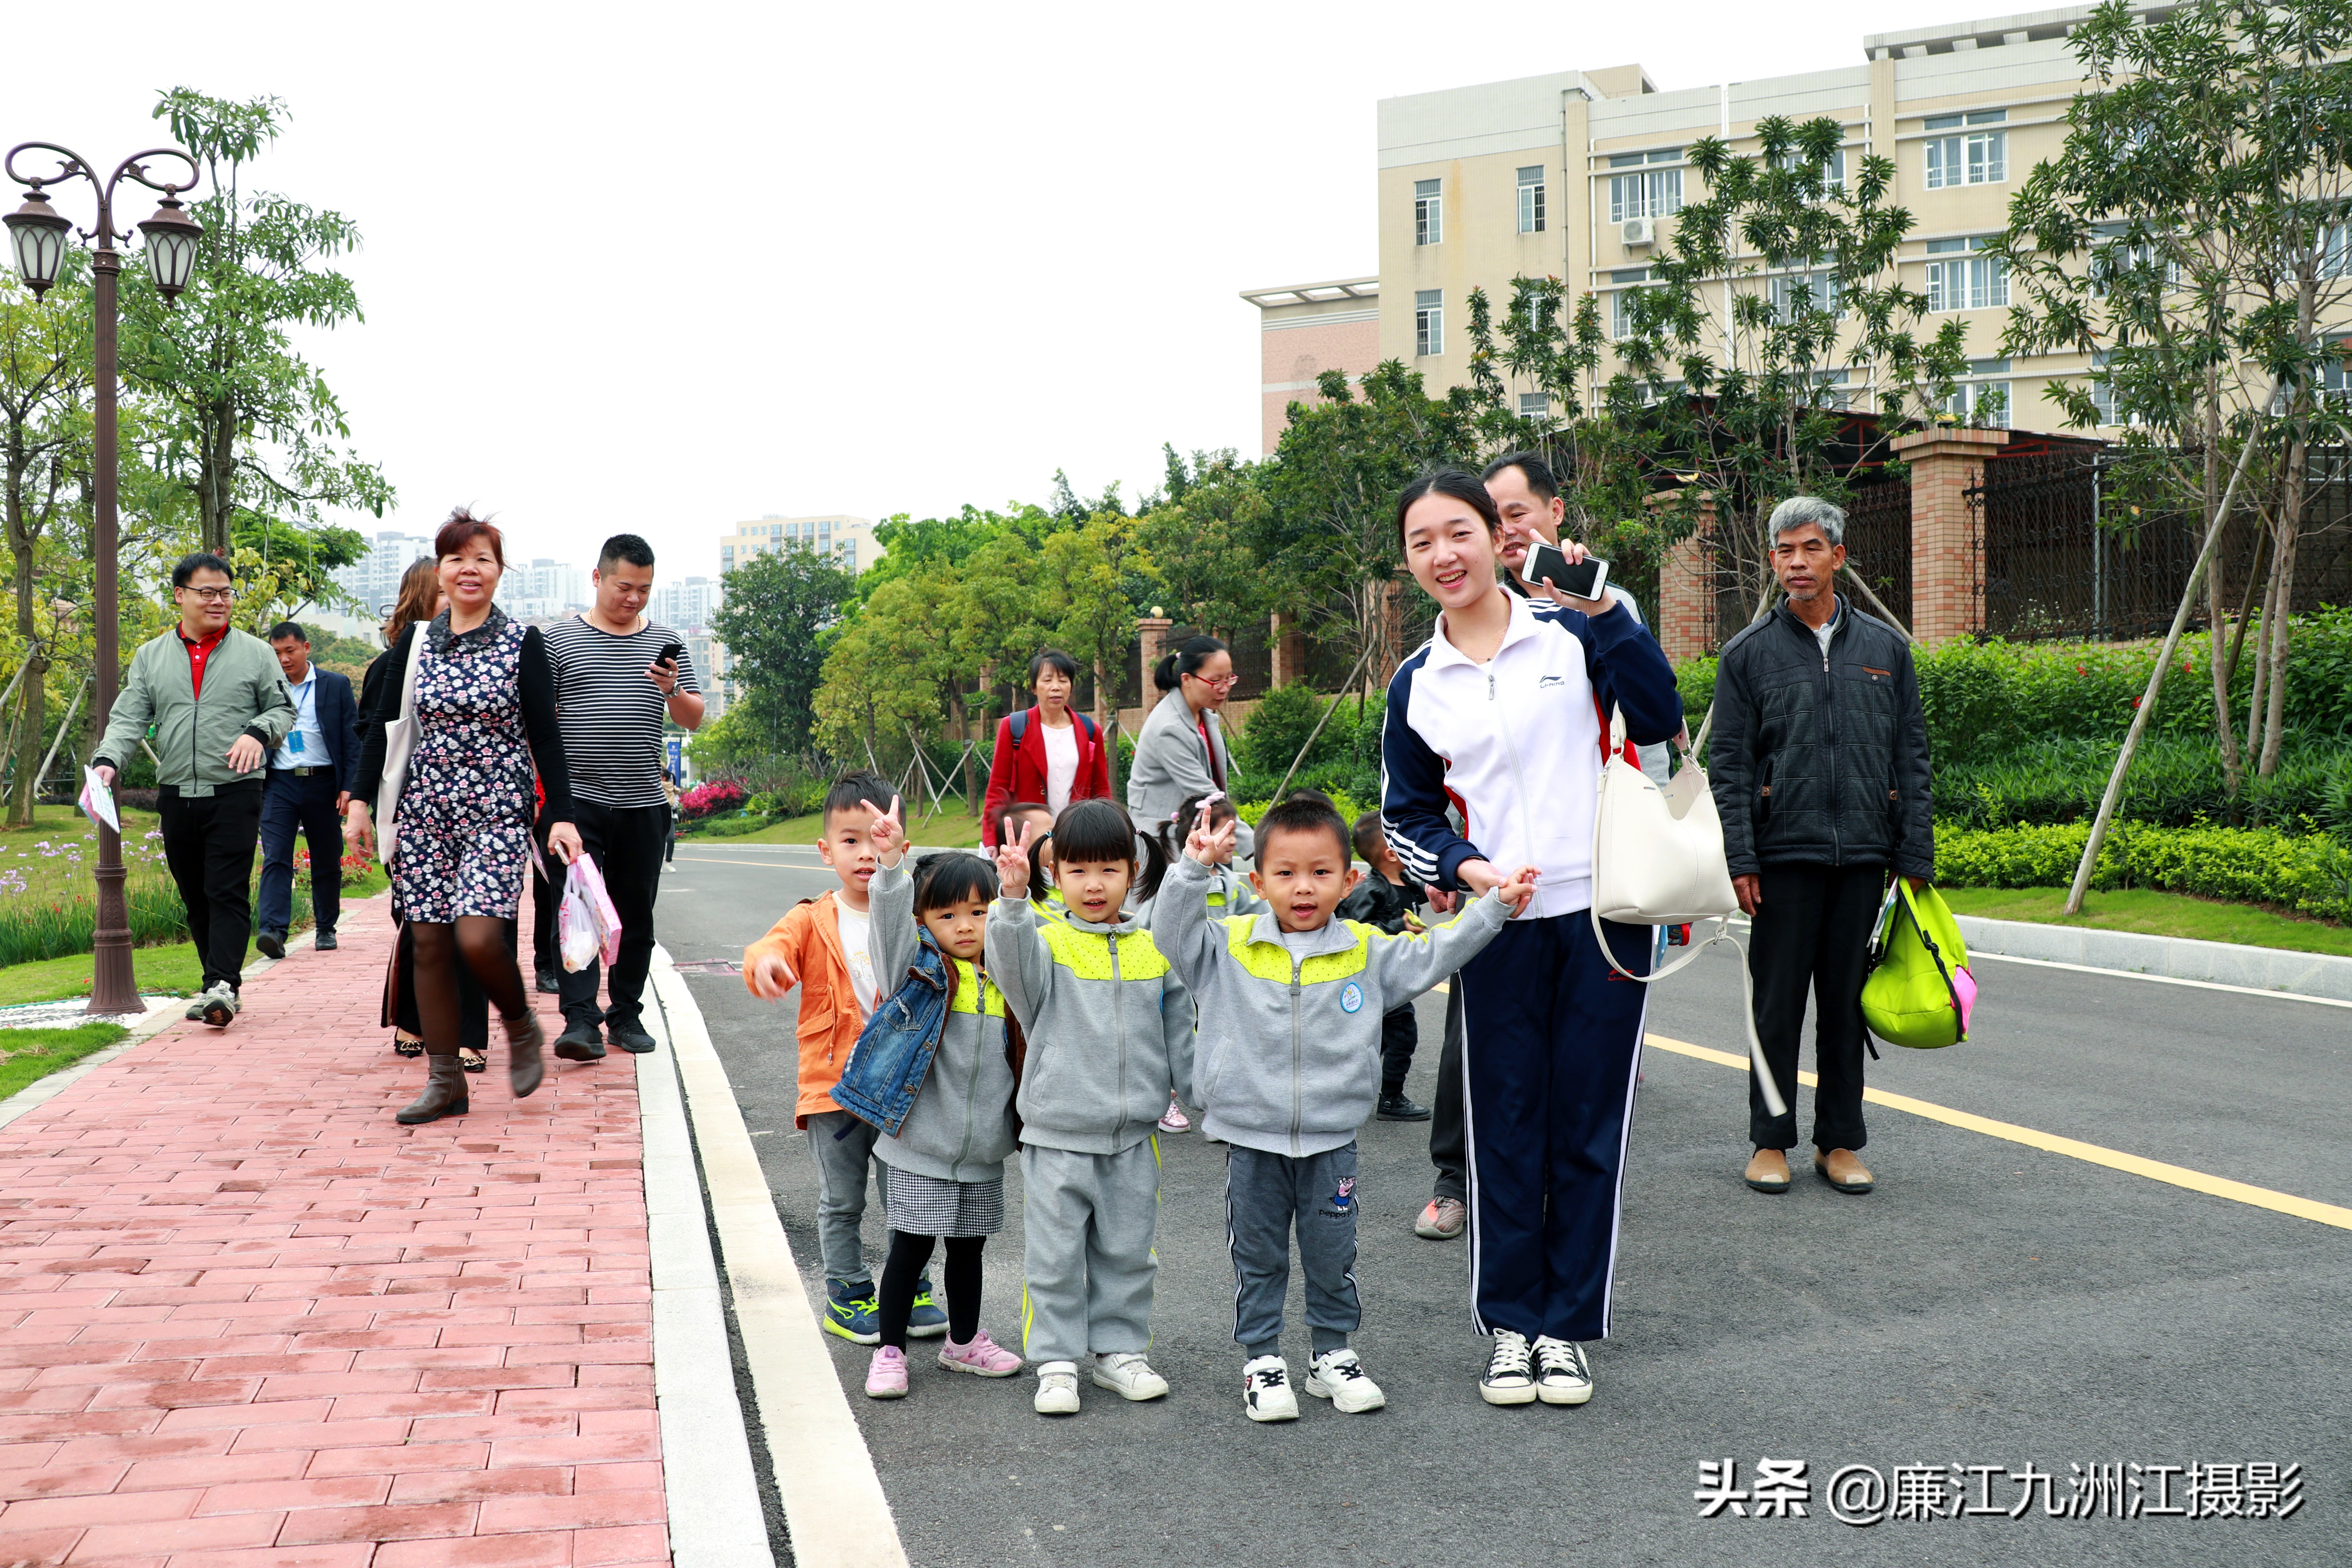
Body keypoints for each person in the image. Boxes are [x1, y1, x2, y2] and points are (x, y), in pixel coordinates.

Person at [1380, 469, 1682, 1408]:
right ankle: (1512, 1326)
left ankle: (1567, 1328)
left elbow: (1663, 721)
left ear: (1496, 536)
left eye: (1459, 531)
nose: (1445, 554)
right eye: (1423, 540)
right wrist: (1466, 870)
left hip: (1604, 919)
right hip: (1500, 931)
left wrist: (1611, 613)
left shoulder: (1570, 630)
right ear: (1410, 561)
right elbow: (1406, 817)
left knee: (1590, 1129)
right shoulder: (1417, 683)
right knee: (1504, 1127)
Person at [1160, 794, 1530, 1422]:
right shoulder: (1228, 946)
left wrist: (1494, 907)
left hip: (1332, 1141)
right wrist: (1192, 869)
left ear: (1349, 879)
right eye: (1285, 873)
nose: (1303, 888)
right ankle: (1262, 1361)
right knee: (1259, 1256)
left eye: (1320, 872)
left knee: (1333, 1255)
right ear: (1258, 881)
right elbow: (1169, 932)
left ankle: (1331, 1355)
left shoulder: (1366, 950)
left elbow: (1437, 953)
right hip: (1252, 1141)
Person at [1707, 496, 1934, 1198]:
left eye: (1810, 548)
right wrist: (1741, 858)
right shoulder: (1748, 654)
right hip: (1782, 860)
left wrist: (1915, 856)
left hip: (1864, 857)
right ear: (1773, 561)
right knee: (1776, 1008)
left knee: (1843, 1008)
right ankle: (1769, 1141)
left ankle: (1839, 1142)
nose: (1796, 562)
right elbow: (1732, 766)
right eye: (1784, 551)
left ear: (1838, 555)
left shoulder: (1886, 650)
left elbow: (1912, 758)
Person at [349, 510, 584, 1125]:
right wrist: (357, 801)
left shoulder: (521, 642)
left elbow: (546, 734)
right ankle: (445, 1081)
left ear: (499, 571)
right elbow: (383, 728)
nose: (469, 569)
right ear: (441, 572)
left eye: (482, 558)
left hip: (496, 812)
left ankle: (518, 1021)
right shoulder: (418, 641)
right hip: (425, 809)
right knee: (427, 942)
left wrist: (559, 814)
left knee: (477, 935)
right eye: (457, 559)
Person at [986, 799, 1192, 1417]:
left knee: (1129, 1251)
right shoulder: (1045, 945)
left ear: (1133, 870)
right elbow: (1010, 968)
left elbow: (1182, 1037)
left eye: (1108, 869)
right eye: (1077, 870)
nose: (1094, 884)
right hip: (1056, 1134)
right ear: (1057, 874)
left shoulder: (1154, 950)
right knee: (1053, 1254)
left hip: (1134, 1137)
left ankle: (1119, 1353)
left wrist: (1214, 1104)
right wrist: (1014, 901)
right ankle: (1055, 1361)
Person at [742, 771, 949, 1345]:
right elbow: (767, 948)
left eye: (879, 839)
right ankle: (848, 1294)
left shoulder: (913, 912)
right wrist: (764, 966)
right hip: (834, 1088)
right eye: (851, 840)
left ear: (902, 848)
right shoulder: (812, 918)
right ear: (826, 849)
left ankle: (913, 1288)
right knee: (843, 1200)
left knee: (909, 1195)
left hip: (902, 1089)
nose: (865, 853)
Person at [844, 815, 1027, 1399]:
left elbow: (1025, 939)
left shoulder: (1006, 976)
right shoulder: (918, 971)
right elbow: (890, 926)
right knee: (911, 1248)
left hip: (983, 1149)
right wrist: (892, 866)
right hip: (920, 1145)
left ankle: (964, 1342)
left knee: (969, 1249)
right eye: (947, 915)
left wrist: (1019, 895)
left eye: (979, 912)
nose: (966, 926)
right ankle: (890, 1351)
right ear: (925, 921)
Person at [92, 553, 295, 1029]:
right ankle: (218, 984)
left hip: (236, 789)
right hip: (177, 791)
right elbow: (129, 717)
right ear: (180, 595)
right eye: (208, 592)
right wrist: (107, 760)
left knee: (225, 888)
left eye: (226, 592)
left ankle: (222, 984)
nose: (219, 601)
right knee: (195, 894)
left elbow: (284, 710)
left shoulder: (255, 652)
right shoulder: (152, 655)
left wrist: (257, 733)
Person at [541, 535, 705, 1061]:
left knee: (636, 917)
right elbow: (538, 724)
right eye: (624, 587)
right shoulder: (558, 642)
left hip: (642, 804)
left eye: (644, 589)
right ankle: (581, 1021)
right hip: (577, 804)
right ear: (598, 578)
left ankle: (625, 1015)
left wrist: (672, 689)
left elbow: (694, 716)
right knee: (579, 911)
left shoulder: (667, 641)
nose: (633, 598)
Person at [1135, 789, 1263, 1134]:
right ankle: (1164, 1099)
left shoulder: (1229, 882)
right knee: (1171, 1040)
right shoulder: (1176, 881)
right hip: (1177, 978)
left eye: (1235, 833)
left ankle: (1217, 1111)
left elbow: (1258, 915)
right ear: (1200, 833)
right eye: (1226, 832)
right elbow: (1151, 925)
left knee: (1214, 1042)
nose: (1233, 840)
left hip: (1214, 980)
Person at [255, 622, 361, 958]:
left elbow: (351, 738)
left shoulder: (336, 684)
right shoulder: (267, 686)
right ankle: (273, 931)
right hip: (280, 783)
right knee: (276, 856)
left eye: (290, 651)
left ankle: (326, 928)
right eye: (276, 653)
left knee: (327, 857)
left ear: (306, 648)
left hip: (324, 782)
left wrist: (350, 787)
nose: (284, 659)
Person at [1335, 809, 1432, 1123]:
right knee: (1401, 1036)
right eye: (1408, 842)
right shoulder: (1371, 889)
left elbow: (1420, 896)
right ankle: (1390, 1100)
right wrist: (1397, 925)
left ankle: (1344, 1092)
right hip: (1375, 978)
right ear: (1392, 853)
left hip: (1397, 975)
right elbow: (1353, 928)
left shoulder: (1405, 880)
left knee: (1381, 1039)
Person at [1126, 634, 1252, 859]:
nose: (1224, 689)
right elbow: (1207, 796)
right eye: (1216, 681)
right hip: (1160, 843)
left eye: (1229, 679)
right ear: (1187, 679)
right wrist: (1260, 849)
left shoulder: (1203, 715)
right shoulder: (1170, 728)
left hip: (1190, 834)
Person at [980, 649, 1113, 847]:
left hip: (1077, 837)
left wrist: (1109, 832)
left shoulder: (1090, 732)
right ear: (1034, 687)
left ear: (1071, 686)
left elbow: (1101, 791)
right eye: (1047, 680)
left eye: (1063, 680)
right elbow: (997, 790)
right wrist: (992, 840)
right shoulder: (1014, 727)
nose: (1056, 687)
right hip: (1027, 838)